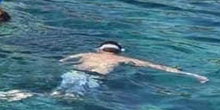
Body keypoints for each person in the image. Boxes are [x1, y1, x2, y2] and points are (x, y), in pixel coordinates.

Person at [53, 41, 208, 97]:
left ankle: (38, 95)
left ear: (100, 50)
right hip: (96, 78)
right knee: (74, 97)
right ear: (119, 51)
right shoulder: (124, 59)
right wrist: (193, 75)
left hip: (74, 72)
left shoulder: (85, 54)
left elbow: (62, 61)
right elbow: (160, 67)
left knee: (61, 90)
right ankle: (41, 96)